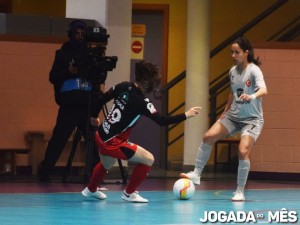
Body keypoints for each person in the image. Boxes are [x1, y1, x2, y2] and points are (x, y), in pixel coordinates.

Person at [81, 60, 202, 203]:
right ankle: (129, 193)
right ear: (147, 81)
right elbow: (161, 121)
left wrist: (94, 117)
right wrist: (186, 115)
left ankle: (90, 189)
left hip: (101, 134)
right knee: (148, 159)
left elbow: (100, 100)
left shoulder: (123, 86)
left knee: (106, 163)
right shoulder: (142, 102)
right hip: (113, 142)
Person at [180, 36, 268, 201]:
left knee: (243, 151)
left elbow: (264, 90)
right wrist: (224, 111)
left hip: (252, 119)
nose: (233, 55)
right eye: (232, 52)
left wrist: (253, 96)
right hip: (233, 116)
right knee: (208, 137)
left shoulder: (254, 70)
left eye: (237, 52)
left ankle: (240, 191)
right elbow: (232, 93)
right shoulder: (232, 71)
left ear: (246, 53)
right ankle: (197, 174)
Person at [38, 20, 104, 182]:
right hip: (69, 104)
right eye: (77, 32)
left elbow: (99, 80)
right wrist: (69, 71)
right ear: (71, 34)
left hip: (87, 104)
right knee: (59, 138)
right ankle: (45, 172)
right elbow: (53, 77)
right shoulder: (62, 53)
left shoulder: (92, 54)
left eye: (83, 33)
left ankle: (95, 175)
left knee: (92, 140)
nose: (80, 36)